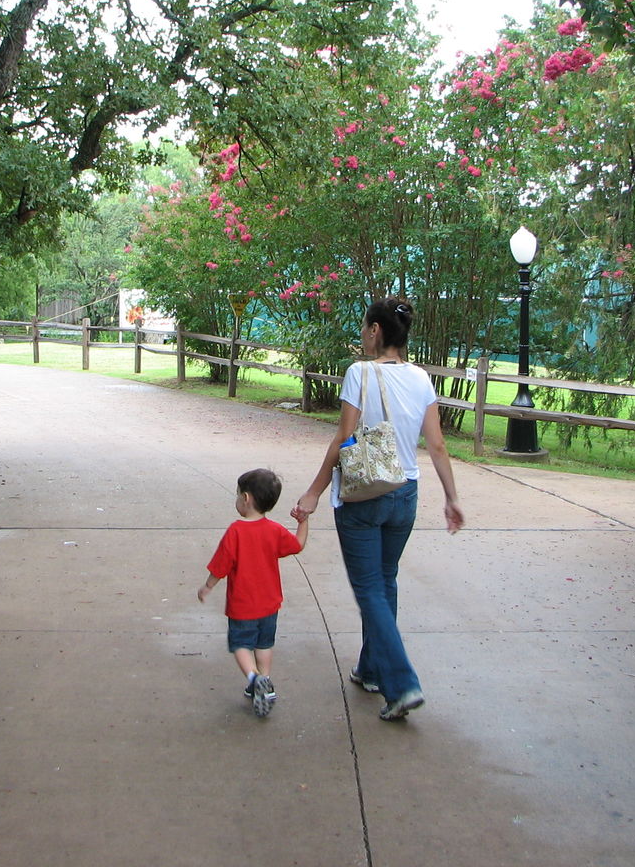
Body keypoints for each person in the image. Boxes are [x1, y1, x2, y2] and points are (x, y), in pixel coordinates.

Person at [291, 298, 464, 721]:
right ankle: (371, 668)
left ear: (376, 332)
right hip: (405, 493)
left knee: (370, 587)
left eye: (365, 327)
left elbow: (343, 440)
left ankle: (402, 683)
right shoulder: (422, 378)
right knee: (384, 582)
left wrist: (313, 493)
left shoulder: (359, 373)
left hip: (362, 495)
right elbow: (437, 445)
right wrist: (451, 498)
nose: (363, 334)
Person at [198, 468, 309, 717]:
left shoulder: (236, 531)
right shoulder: (275, 530)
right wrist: (303, 521)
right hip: (270, 605)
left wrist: (208, 586)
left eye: (238, 495)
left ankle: (252, 678)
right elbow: (298, 545)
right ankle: (265, 682)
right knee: (264, 644)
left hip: (242, 606)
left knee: (240, 644)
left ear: (246, 499)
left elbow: (221, 566)